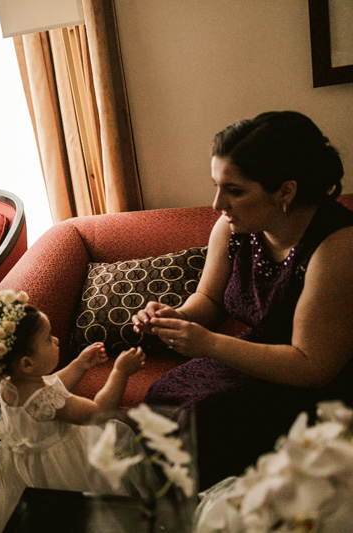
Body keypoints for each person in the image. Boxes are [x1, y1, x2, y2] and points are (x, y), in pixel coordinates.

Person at [132, 111, 353, 490]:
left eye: (234, 190)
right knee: (163, 395)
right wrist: (177, 316)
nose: (218, 203)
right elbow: (210, 300)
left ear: (285, 191)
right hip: (254, 356)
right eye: (216, 186)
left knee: (207, 418)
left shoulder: (338, 245)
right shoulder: (233, 228)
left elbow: (314, 367)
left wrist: (208, 344)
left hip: (317, 384)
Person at [0, 290, 148, 532]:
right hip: (63, 467)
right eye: (49, 339)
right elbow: (97, 411)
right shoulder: (43, 398)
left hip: (27, 466)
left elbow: (51, 384)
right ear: (27, 363)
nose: (57, 340)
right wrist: (120, 372)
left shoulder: (11, 383)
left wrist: (79, 365)